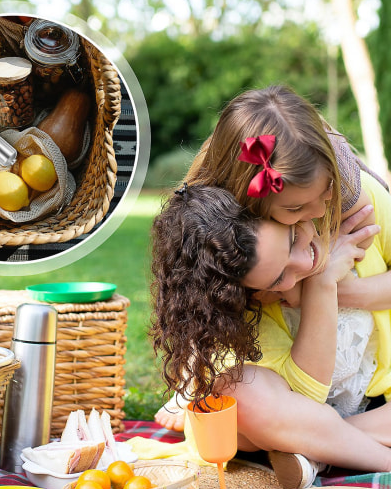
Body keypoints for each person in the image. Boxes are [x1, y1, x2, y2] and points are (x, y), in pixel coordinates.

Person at [155, 84, 389, 431]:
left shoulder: (355, 203)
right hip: (290, 389)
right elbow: (296, 398)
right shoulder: (236, 253)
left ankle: (328, 442)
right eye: (294, 209)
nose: (318, 211)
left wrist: (321, 290)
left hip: (370, 387)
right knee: (242, 409)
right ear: (251, 201)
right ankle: (322, 440)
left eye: (327, 191)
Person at [150, 181, 391, 489]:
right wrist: (321, 285)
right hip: (289, 410)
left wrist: (342, 290)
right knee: (237, 394)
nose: (306, 264)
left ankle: (318, 454)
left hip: (375, 405)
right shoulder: (237, 285)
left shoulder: (356, 204)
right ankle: (379, 459)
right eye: (278, 278)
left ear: (283, 209)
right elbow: (307, 400)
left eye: (292, 239)